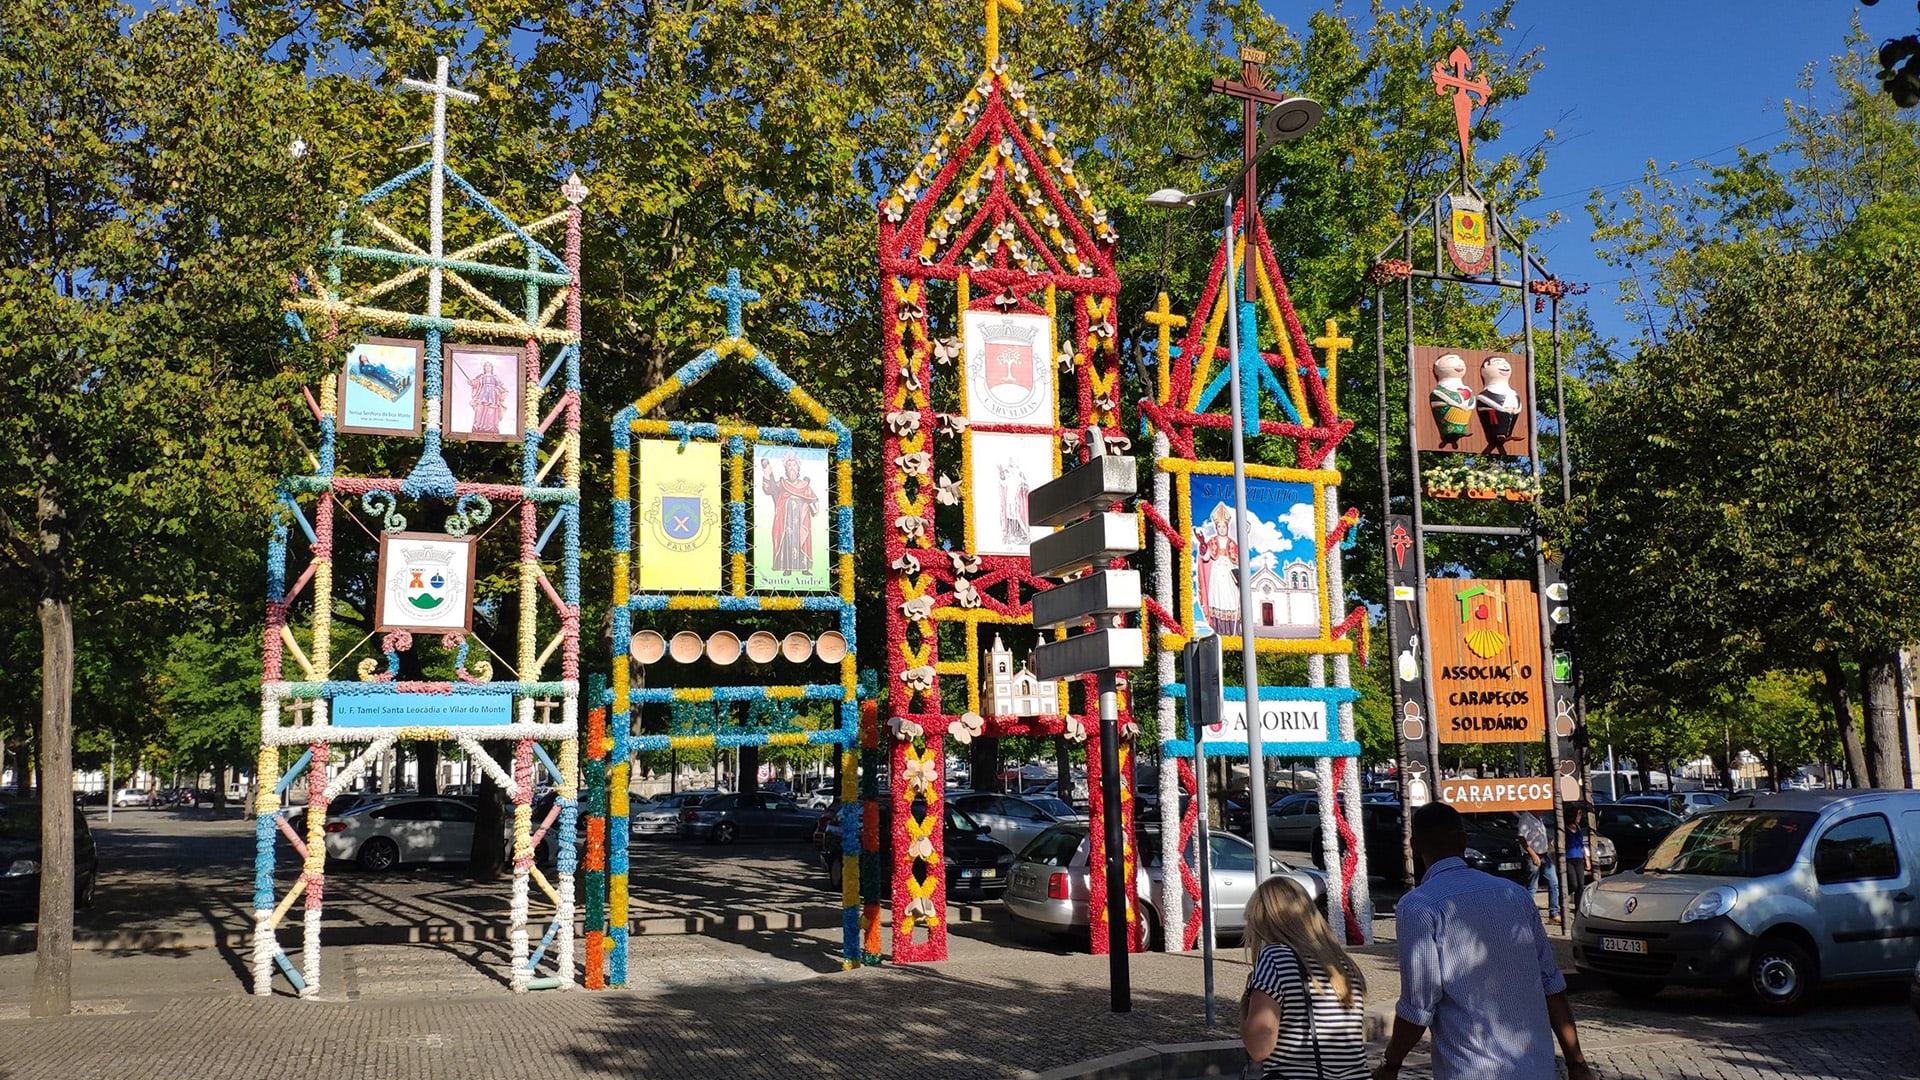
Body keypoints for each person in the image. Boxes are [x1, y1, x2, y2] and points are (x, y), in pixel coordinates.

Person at [1376, 802, 1593, 1080]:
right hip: (1536, 1066)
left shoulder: (1419, 907)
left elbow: (1418, 1007)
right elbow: (1551, 986)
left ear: (1414, 847)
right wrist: (1576, 1062)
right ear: (1463, 840)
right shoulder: (1516, 895)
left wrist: (1391, 1064)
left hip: (1470, 1069)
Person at [1241, 876, 1369, 1079]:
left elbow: (1260, 1047)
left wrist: (1246, 1006)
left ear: (1261, 920)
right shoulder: (1342, 963)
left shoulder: (1275, 958)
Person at [1516, 808, 1562, 925]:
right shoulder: (1526, 818)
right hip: (1532, 855)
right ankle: (1526, 912)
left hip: (1544, 855)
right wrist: (1533, 854)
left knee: (1554, 882)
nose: (1543, 810)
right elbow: (1521, 838)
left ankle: (1554, 912)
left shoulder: (1539, 819)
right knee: (1532, 886)